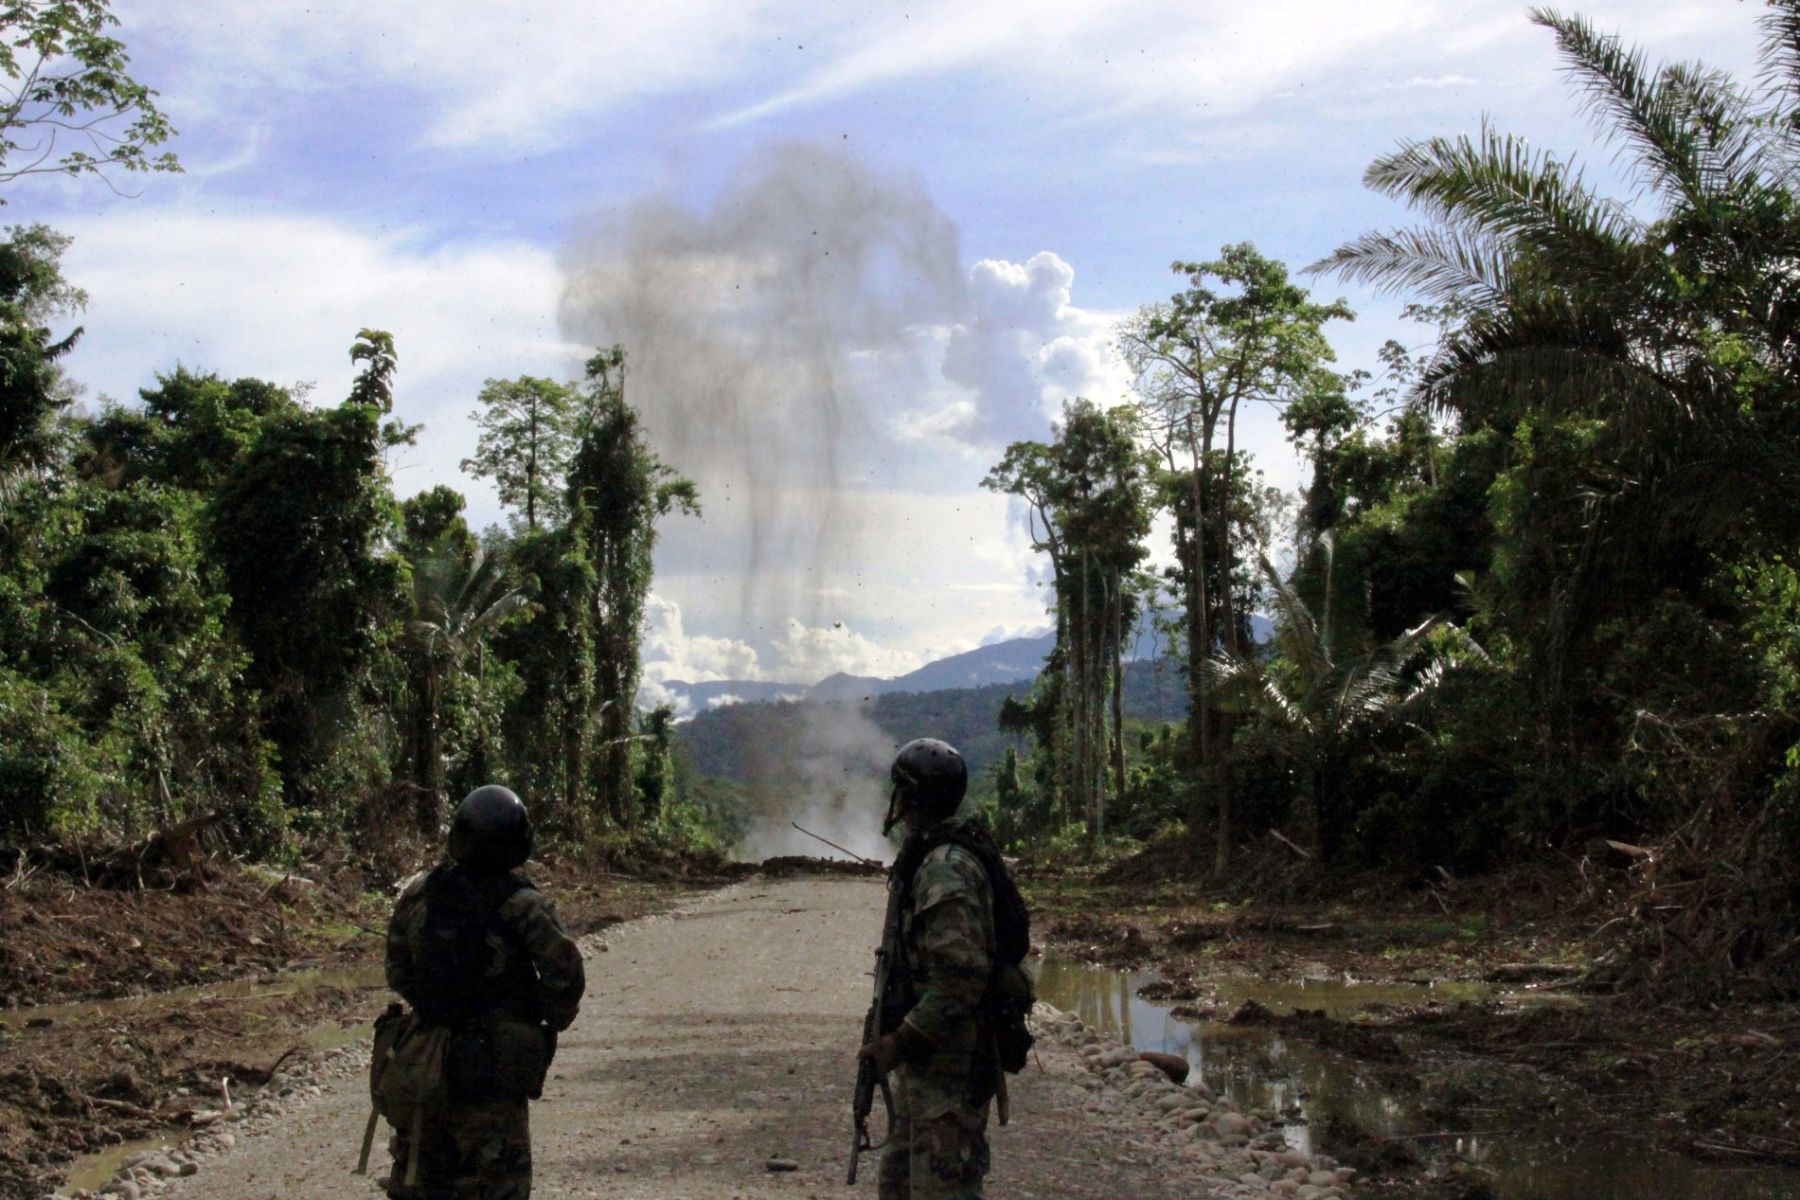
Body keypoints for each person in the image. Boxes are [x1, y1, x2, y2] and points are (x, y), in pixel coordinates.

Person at [381, 785, 585, 1200]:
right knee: (497, 1181)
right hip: (492, 1069)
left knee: (422, 1176)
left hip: (425, 1061)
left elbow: (397, 968)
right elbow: (565, 976)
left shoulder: (421, 892)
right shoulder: (523, 904)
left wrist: (433, 1008)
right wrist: (538, 1021)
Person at [859, 738, 1001, 1200]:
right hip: (928, 1073)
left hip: (951, 1073)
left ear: (914, 798)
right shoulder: (930, 858)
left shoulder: (944, 870)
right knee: (899, 1185)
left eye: (901, 792)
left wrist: (898, 1043)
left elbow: (959, 981)